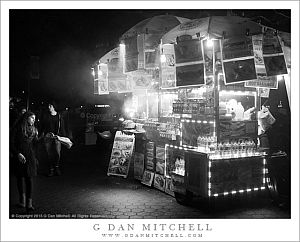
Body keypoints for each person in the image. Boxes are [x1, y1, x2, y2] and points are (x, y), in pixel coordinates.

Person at [10, 111, 39, 211]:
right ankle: (22, 201)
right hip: (19, 156)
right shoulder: (17, 128)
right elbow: (11, 143)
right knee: (20, 178)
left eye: (35, 119)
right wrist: (17, 154)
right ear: (26, 118)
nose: (34, 120)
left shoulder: (34, 130)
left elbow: (35, 144)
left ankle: (29, 203)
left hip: (30, 157)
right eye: (32, 118)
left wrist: (44, 138)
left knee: (29, 179)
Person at [40, 101, 66, 177]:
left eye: (50, 106)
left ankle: (56, 167)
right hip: (48, 136)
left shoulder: (59, 116)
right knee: (49, 154)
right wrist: (41, 134)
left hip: (57, 137)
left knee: (57, 153)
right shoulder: (46, 116)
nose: (49, 107)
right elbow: (42, 126)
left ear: (54, 107)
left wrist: (63, 137)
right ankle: (51, 169)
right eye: (48, 106)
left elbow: (62, 127)